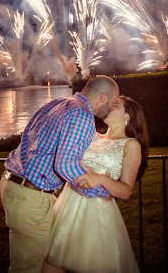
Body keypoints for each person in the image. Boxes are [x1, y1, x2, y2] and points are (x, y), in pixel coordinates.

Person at [0, 75, 120, 272]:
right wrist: (102, 191)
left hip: (13, 184)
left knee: (49, 252)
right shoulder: (82, 116)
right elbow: (66, 164)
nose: (114, 107)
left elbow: (28, 137)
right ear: (103, 97)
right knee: (29, 268)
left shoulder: (58, 104)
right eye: (114, 102)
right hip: (31, 196)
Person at [42, 96, 150, 273]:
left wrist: (101, 179)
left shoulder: (131, 145)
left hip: (97, 216)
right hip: (66, 207)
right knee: (49, 266)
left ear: (127, 116)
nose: (109, 106)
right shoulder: (91, 135)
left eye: (116, 105)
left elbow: (126, 191)